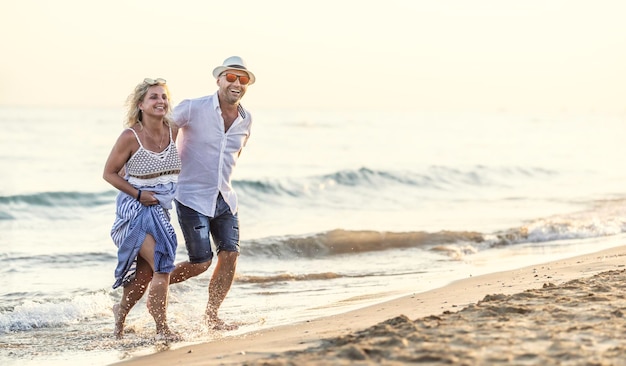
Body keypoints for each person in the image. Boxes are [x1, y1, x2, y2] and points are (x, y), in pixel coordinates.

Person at [169, 55, 256, 330]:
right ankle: (154, 282)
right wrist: (169, 156)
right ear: (218, 79)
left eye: (242, 80)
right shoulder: (194, 107)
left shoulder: (246, 119)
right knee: (201, 262)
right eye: (231, 77)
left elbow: (235, 155)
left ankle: (211, 316)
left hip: (225, 199)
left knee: (230, 254)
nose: (237, 83)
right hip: (191, 197)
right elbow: (168, 122)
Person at [103, 77, 182, 341]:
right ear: (140, 105)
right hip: (133, 213)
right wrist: (139, 193)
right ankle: (162, 329)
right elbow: (109, 173)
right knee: (162, 263)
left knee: (145, 275)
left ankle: (119, 316)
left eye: (163, 97)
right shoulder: (130, 136)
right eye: (153, 97)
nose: (161, 101)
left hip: (161, 213)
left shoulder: (173, 130)